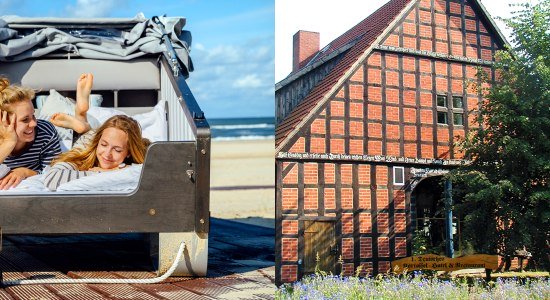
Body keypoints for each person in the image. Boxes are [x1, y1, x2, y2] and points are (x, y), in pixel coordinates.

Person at [43, 74, 150, 191]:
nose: (107, 154)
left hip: (94, 134)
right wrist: (104, 172)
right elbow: (52, 179)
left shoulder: (140, 159)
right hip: (89, 139)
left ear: (129, 152)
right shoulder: (84, 154)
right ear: (99, 142)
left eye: (117, 150)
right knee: (86, 135)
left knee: (87, 131)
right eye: (104, 144)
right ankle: (80, 114)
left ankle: (82, 121)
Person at [0, 77, 62, 190]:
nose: (34, 123)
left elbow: (56, 175)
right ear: (3, 121)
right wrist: (8, 143)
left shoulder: (45, 132)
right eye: (25, 119)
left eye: (33, 115)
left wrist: (25, 172)